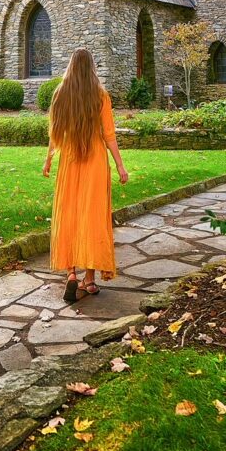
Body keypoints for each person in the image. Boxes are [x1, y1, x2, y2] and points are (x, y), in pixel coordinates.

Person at [43, 47, 129, 302]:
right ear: (91, 66)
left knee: (69, 213)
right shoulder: (100, 95)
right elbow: (109, 135)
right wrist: (121, 166)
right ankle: (89, 280)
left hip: (69, 160)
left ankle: (71, 274)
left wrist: (48, 160)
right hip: (94, 161)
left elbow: (55, 132)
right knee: (92, 217)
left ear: (70, 66)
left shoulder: (61, 93)